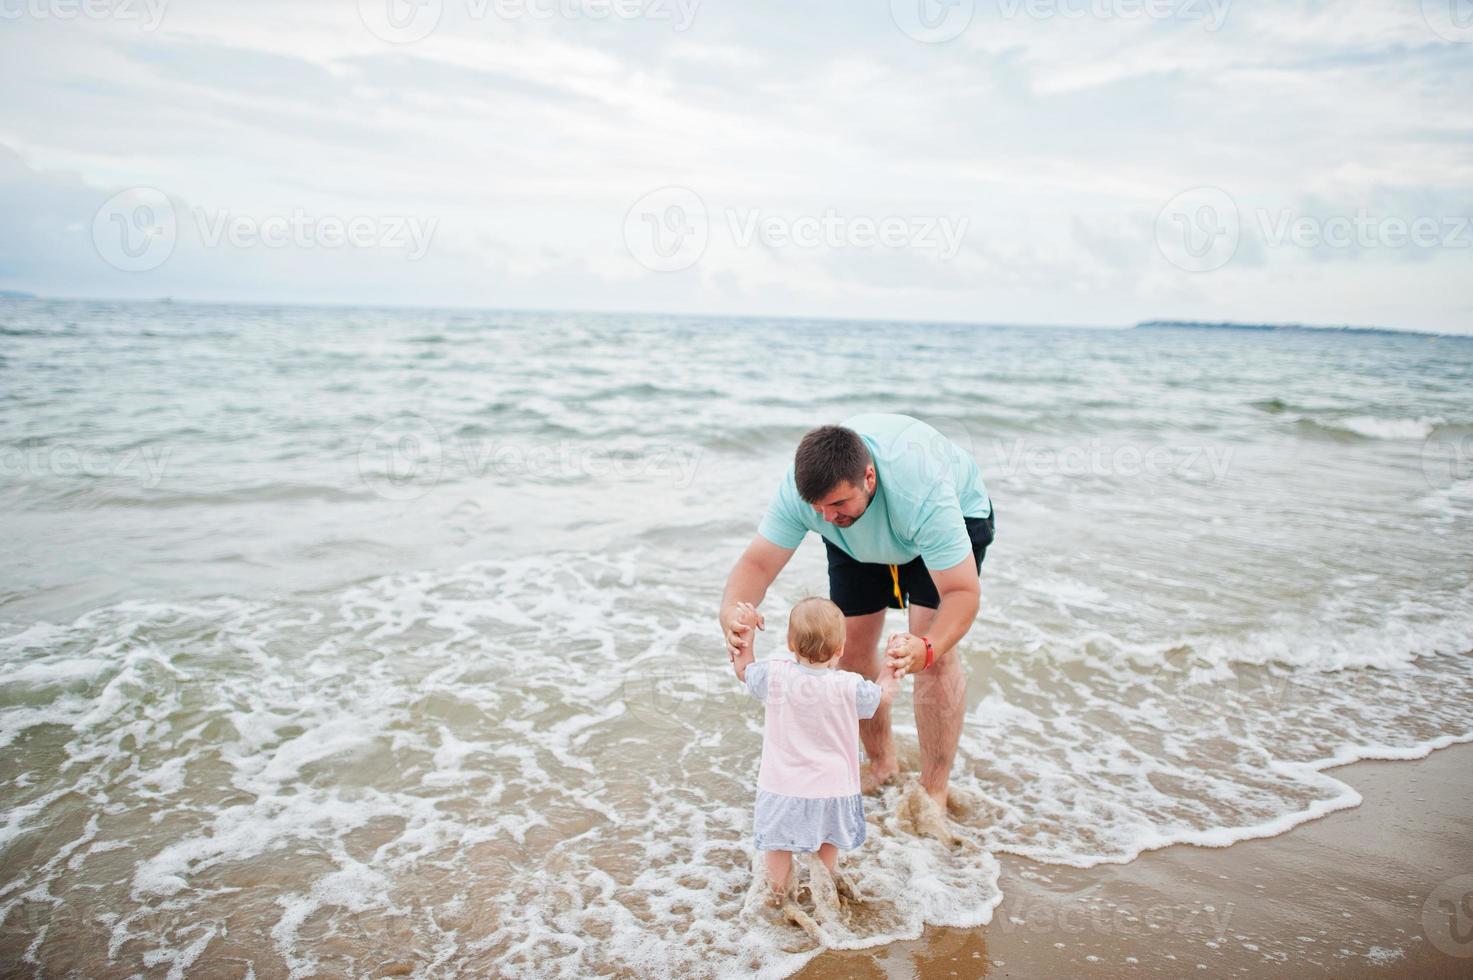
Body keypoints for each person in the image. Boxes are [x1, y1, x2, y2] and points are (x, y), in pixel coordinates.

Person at [719, 414, 994, 818]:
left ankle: (934, 788)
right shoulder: (817, 502)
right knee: (848, 649)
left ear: (868, 478)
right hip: (859, 538)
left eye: (836, 503)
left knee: (930, 656)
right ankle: (882, 765)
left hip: (941, 522)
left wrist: (928, 649)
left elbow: (962, 593)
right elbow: (757, 565)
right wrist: (733, 614)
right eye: (818, 509)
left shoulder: (922, 491)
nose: (826, 517)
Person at [731, 597, 899, 904]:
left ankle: (777, 898)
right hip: (833, 790)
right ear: (840, 650)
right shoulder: (849, 687)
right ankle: (826, 897)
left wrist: (747, 634)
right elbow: (883, 696)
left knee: (778, 850)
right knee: (826, 852)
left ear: (790, 643)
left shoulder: (774, 675)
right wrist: (891, 665)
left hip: (783, 789)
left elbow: (744, 669)